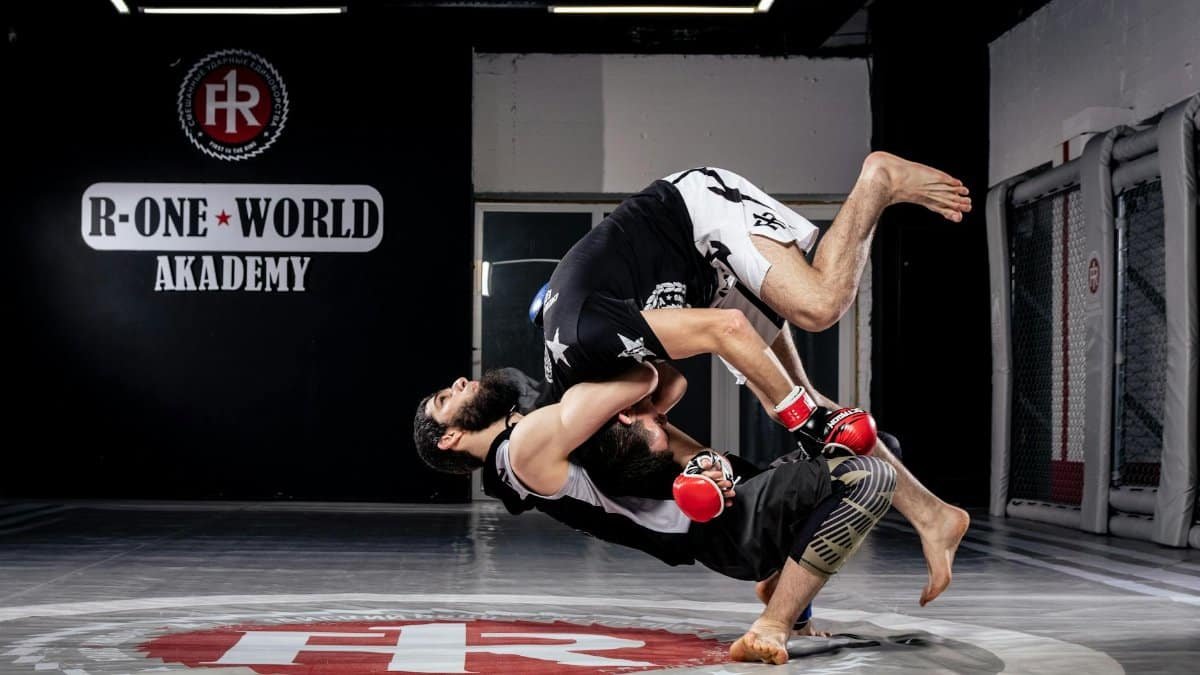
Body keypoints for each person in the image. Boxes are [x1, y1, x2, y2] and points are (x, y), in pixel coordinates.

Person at [413, 363, 897, 665]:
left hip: (732, 497)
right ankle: (773, 623)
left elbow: (663, 400)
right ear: (449, 439)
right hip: (721, 531)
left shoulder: (536, 424)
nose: (457, 384)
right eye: (444, 400)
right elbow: (645, 379)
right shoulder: (520, 451)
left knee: (882, 447)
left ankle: (785, 586)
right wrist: (595, 342)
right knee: (869, 476)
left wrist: (711, 462)